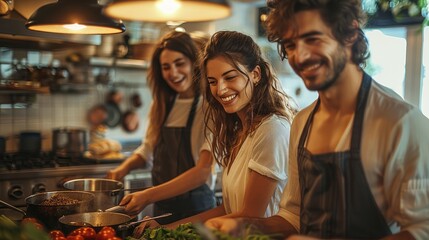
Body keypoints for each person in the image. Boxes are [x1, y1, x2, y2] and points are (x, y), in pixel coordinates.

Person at [205, 0, 429, 239]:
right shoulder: (302, 123)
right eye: (290, 44)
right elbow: (293, 216)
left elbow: (422, 229)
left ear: (350, 33)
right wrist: (246, 226)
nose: (299, 56)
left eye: (313, 39)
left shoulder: (400, 122)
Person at [133, 30, 296, 237]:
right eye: (212, 81)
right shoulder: (237, 130)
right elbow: (229, 210)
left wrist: (173, 232)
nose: (220, 89)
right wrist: (167, 229)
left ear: (255, 74)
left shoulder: (272, 129)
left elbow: (250, 215)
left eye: (230, 77)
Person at [106, 30, 217, 224]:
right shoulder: (162, 104)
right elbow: (148, 149)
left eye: (180, 64)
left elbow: (202, 172)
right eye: (166, 67)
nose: (173, 73)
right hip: (162, 206)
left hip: (196, 208)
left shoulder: (209, 107)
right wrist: (121, 170)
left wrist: (148, 195)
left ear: (194, 63)